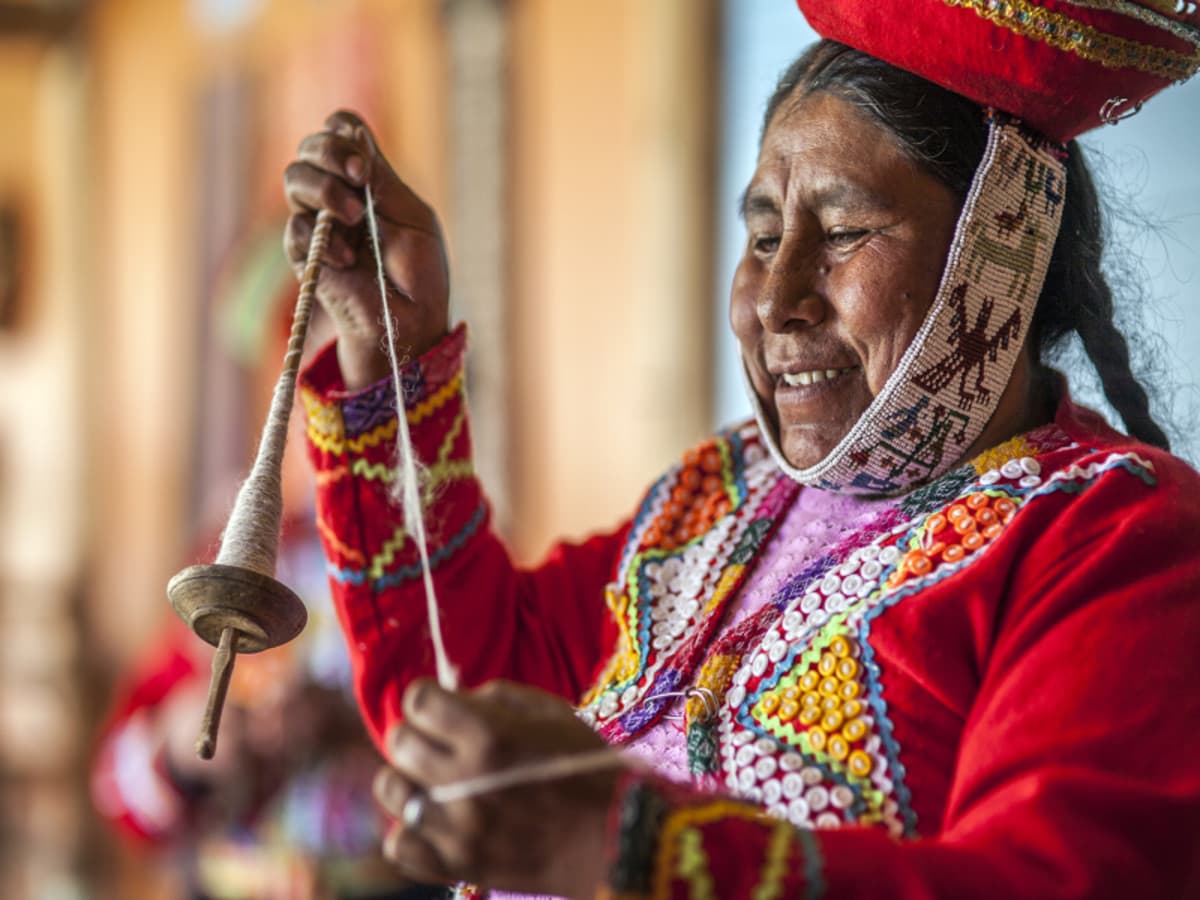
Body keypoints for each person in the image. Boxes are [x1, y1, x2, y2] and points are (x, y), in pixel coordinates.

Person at [282, 1, 1200, 896]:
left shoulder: (1118, 541)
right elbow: (472, 686)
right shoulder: (726, 495)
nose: (776, 298)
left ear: (1000, 250)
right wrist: (387, 351)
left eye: (842, 234)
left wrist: (625, 846)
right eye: (764, 235)